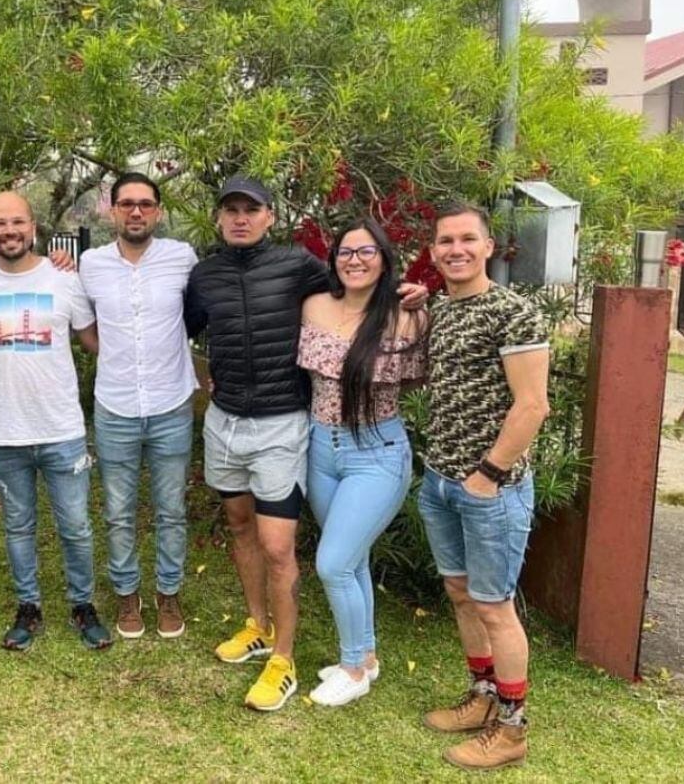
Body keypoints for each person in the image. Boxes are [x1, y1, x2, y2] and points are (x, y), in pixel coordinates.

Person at [185, 174, 426, 713]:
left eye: (252, 209)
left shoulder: (299, 267)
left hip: (286, 427)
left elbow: (360, 285)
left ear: (270, 216)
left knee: (286, 549)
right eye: (231, 210)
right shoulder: (204, 275)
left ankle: (291, 658)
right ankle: (259, 627)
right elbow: (183, 328)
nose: (241, 218)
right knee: (241, 528)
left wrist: (412, 291)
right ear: (219, 218)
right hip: (231, 424)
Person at [416, 203, 550, 771]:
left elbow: (532, 405)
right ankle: (483, 695)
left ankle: (513, 730)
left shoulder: (513, 313)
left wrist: (487, 475)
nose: (456, 249)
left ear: (489, 247)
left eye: (468, 239)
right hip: (440, 480)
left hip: (491, 488)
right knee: (461, 593)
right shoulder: (442, 309)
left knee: (495, 607)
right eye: (445, 241)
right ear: (433, 252)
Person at [0, 191, 112, 651]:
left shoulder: (66, 279)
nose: (9, 231)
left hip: (62, 429)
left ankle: (82, 604)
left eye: (17, 223)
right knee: (17, 526)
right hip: (2, 430)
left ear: (33, 227)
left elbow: (96, 342)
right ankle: (28, 606)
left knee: (76, 526)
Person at [298, 218, 425, 707]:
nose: (355, 260)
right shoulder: (313, 307)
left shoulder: (406, 317)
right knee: (353, 561)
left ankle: (352, 668)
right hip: (320, 450)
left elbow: (415, 380)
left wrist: (421, 301)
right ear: (333, 260)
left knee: (333, 563)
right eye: (346, 252)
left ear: (384, 258)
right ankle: (366, 656)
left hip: (376, 452)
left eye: (366, 251)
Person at [79, 172, 197, 640]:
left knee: (171, 508)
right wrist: (111, 353)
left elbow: (198, 314)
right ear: (112, 211)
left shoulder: (181, 258)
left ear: (158, 211)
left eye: (145, 204)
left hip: (171, 403)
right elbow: (83, 327)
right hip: (116, 405)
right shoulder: (90, 264)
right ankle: (128, 594)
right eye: (126, 203)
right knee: (118, 510)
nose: (136, 212)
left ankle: (168, 592)